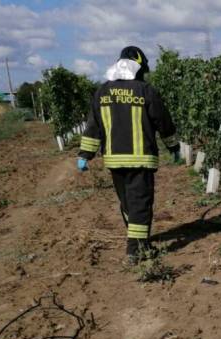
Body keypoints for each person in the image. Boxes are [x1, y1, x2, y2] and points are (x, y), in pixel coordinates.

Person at [77, 46, 179, 263]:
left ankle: (138, 241)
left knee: (127, 204)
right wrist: (174, 147)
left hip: (114, 160)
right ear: (139, 68)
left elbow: (93, 126)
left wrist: (85, 154)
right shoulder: (145, 90)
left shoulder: (102, 91)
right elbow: (163, 122)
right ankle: (136, 250)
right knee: (140, 204)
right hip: (141, 160)